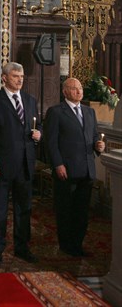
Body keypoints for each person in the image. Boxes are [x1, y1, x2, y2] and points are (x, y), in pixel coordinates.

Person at [0, 62, 41, 265]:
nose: (20, 79)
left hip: (25, 164)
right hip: (2, 165)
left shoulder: (30, 100)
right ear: (4, 78)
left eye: (22, 76)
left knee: (24, 209)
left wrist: (38, 133)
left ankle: (22, 247)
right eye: (16, 76)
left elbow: (37, 124)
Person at [44, 77, 105, 257]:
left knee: (82, 212)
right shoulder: (56, 112)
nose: (79, 92)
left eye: (80, 89)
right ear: (65, 92)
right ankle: (66, 244)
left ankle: (77, 244)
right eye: (74, 89)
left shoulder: (89, 112)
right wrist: (58, 164)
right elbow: (51, 143)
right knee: (65, 210)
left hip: (86, 169)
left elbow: (93, 136)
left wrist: (98, 145)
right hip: (66, 169)